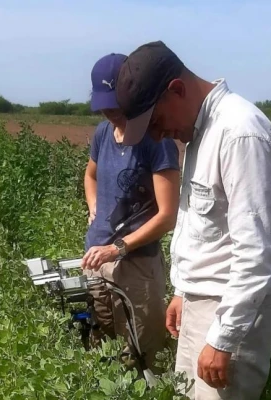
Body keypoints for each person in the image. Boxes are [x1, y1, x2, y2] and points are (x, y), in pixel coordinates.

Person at [114, 40, 271, 399]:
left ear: (176, 90)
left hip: (230, 314)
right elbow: (201, 226)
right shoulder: (198, 134)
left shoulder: (239, 131)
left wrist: (223, 340)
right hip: (200, 305)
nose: (159, 135)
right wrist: (183, 292)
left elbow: (258, 253)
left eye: (157, 122)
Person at [80, 52, 181, 374]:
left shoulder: (156, 140)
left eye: (116, 105)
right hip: (95, 256)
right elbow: (90, 175)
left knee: (142, 350)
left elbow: (167, 215)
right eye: (104, 106)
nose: (110, 113)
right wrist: (94, 205)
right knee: (104, 340)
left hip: (136, 264)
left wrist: (118, 247)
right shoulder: (102, 134)